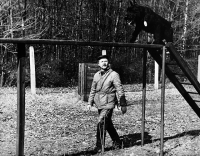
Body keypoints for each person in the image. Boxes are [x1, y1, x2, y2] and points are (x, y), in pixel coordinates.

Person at [87, 54, 127, 153]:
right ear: (98, 64)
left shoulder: (114, 74)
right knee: (107, 124)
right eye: (102, 61)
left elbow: (120, 89)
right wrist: (90, 102)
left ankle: (99, 147)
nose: (104, 63)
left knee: (101, 122)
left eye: (106, 61)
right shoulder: (96, 75)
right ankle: (118, 143)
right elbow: (93, 89)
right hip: (99, 103)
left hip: (109, 103)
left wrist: (123, 104)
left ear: (108, 63)